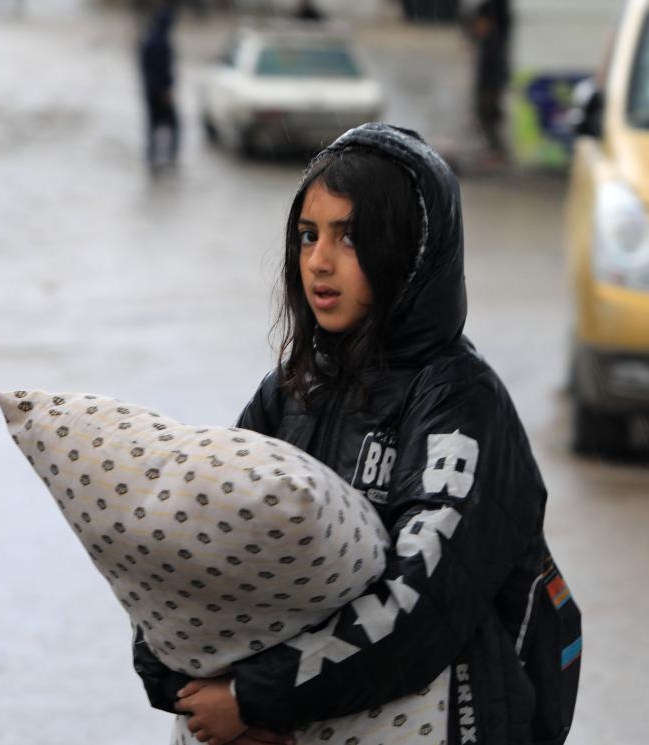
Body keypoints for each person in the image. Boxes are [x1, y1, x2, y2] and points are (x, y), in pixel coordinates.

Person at [133, 123, 581, 744]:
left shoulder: (460, 400)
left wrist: (255, 700)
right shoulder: (291, 388)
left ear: (406, 251)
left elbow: (423, 605)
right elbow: (198, 543)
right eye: (308, 236)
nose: (319, 260)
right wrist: (184, 689)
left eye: (351, 238)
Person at [139, 5, 180, 174]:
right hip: (161, 92)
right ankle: (170, 157)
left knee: (153, 126)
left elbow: (144, 68)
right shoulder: (161, 43)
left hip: (150, 90)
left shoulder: (148, 40)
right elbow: (162, 70)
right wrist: (165, 90)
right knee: (173, 125)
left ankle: (152, 159)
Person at [469, 0, 510, 160]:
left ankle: (497, 152)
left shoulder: (493, 44)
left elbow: (495, 71)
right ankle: (495, 151)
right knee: (486, 120)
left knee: (490, 119)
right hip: (488, 88)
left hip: (490, 89)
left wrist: (491, 92)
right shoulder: (488, 42)